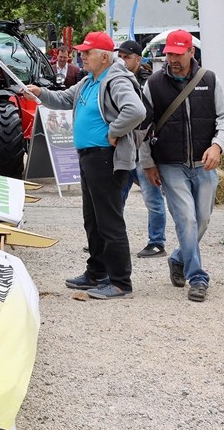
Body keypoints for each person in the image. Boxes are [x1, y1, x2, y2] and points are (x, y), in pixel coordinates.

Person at [25, 31, 145, 300]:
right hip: (91, 157)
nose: (82, 56)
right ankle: (96, 273)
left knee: (109, 221)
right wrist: (40, 93)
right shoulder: (89, 81)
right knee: (93, 220)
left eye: (87, 52)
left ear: (104, 57)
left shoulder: (116, 80)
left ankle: (120, 282)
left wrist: (114, 131)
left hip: (105, 158)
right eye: (82, 52)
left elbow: (136, 111)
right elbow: (63, 100)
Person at [138, 29, 224, 302]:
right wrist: (147, 163)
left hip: (204, 165)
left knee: (202, 219)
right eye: (169, 54)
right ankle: (198, 278)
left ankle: (179, 257)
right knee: (187, 220)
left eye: (178, 54)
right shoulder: (153, 84)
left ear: (192, 52)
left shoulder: (210, 80)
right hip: (170, 164)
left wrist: (218, 146)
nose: (172, 59)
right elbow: (142, 127)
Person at [116, 39, 166, 258]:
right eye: (120, 57)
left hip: (143, 148)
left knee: (152, 199)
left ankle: (157, 242)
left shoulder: (148, 83)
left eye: (127, 57)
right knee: (116, 197)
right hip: (124, 148)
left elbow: (149, 116)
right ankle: (110, 238)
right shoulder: (116, 79)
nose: (122, 61)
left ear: (138, 59)